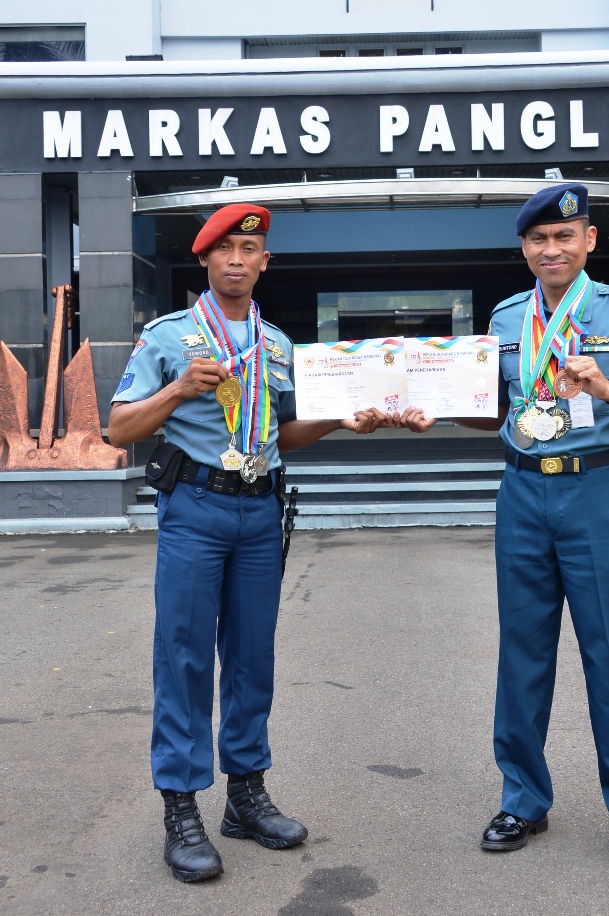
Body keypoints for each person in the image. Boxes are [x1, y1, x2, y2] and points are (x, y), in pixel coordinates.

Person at [395, 183, 609, 872]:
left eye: (565, 236)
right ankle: (523, 798)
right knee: (522, 654)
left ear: (588, 241)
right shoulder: (506, 317)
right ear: (525, 249)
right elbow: (488, 408)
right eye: (538, 239)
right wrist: (433, 408)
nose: (551, 248)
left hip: (593, 490)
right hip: (523, 493)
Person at [108, 203, 390, 883]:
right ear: (205, 259)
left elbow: (282, 433)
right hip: (196, 507)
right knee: (184, 659)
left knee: (251, 659)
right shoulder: (171, 337)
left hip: (260, 510)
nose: (237, 259)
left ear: (266, 261)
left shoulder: (278, 346)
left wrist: (336, 424)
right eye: (225, 248)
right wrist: (178, 389)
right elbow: (118, 429)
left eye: (250, 248)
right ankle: (181, 807)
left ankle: (245, 795)